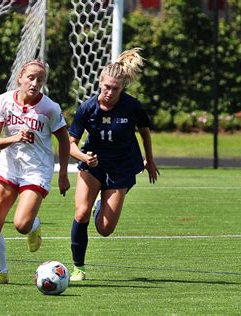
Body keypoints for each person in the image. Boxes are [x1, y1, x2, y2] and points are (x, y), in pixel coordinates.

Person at [68, 48, 160, 281]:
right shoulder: (88, 108)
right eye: (106, 87)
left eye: (115, 89)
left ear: (122, 88)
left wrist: (149, 159)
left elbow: (145, 132)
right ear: (100, 82)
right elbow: (70, 144)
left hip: (121, 168)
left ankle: (101, 202)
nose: (109, 92)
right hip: (93, 165)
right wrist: (83, 157)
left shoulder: (131, 107)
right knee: (81, 213)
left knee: (105, 229)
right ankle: (78, 267)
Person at [0, 60, 70, 285]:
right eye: (31, 77)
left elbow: (63, 140)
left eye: (40, 79)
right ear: (20, 77)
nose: (35, 83)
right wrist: (13, 138)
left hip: (36, 170)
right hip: (8, 167)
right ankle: (1, 273)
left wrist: (62, 174)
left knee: (21, 225)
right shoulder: (4, 101)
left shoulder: (49, 108)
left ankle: (34, 226)